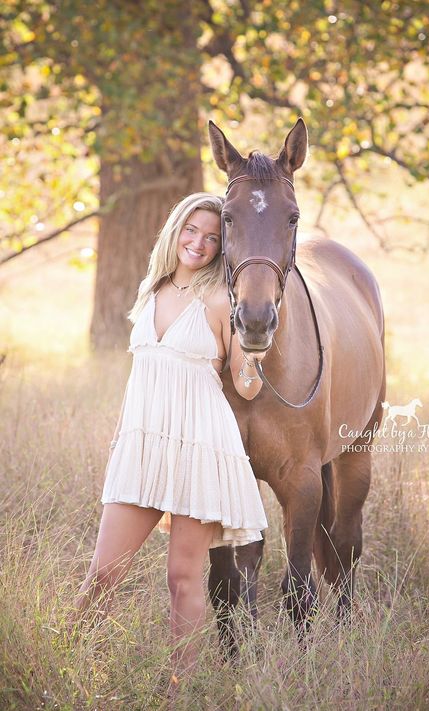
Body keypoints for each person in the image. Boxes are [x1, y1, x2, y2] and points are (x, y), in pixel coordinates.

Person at [69, 192, 268, 684]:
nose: (198, 243)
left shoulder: (222, 301)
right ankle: (61, 660)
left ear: (222, 248)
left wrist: (255, 351)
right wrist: (120, 443)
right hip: (143, 447)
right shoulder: (150, 290)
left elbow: (246, 385)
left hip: (201, 448)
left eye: (212, 238)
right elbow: (140, 379)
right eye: (191, 231)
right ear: (176, 230)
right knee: (103, 574)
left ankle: (180, 689)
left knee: (182, 578)